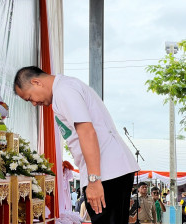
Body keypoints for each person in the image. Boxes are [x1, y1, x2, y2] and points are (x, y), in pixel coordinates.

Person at [13, 66, 140, 223]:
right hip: (108, 171)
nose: (33, 103)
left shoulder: (64, 90)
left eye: (30, 98)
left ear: (36, 82)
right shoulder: (64, 89)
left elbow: (87, 132)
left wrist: (94, 181)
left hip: (106, 172)